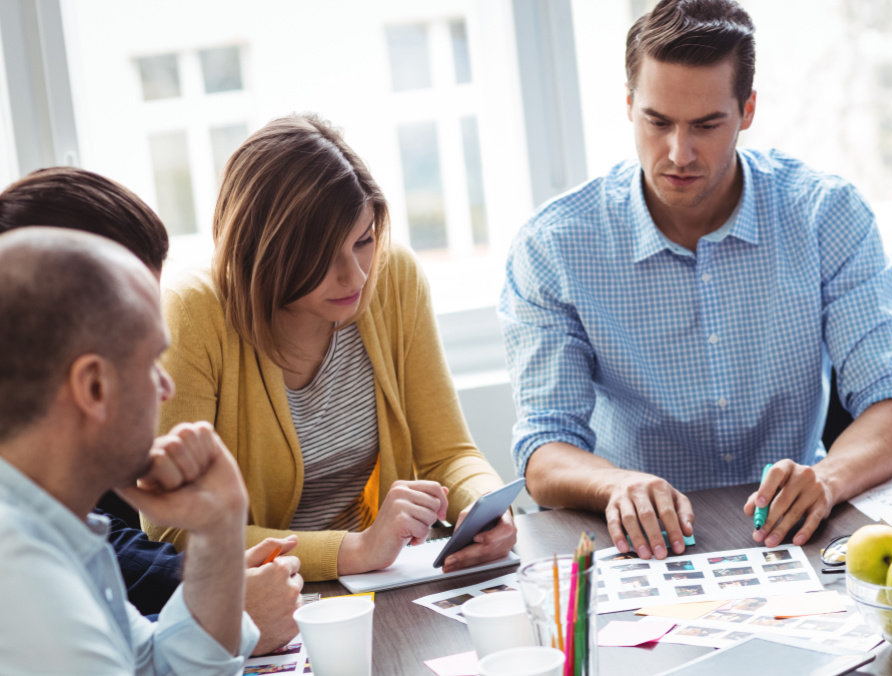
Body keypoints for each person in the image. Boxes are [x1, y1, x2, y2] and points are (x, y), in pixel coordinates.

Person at [500, 0, 892, 560]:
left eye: (706, 125)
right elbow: (544, 445)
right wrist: (617, 485)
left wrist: (828, 477)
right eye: (657, 122)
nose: (679, 153)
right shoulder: (553, 245)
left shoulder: (827, 215)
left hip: (791, 537)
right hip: (640, 548)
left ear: (747, 110)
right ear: (629, 105)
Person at [145, 115, 517, 581]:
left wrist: (485, 507)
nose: (357, 276)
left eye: (362, 241)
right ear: (264, 253)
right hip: (267, 598)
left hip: (381, 579)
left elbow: (448, 453)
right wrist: (354, 550)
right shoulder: (191, 312)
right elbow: (174, 532)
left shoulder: (392, 273)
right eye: (324, 258)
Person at [0, 166, 304, 654]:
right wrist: (230, 598)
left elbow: (155, 663)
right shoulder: (22, 572)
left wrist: (218, 530)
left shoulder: (66, 530)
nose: (167, 387)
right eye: (147, 358)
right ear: (92, 383)